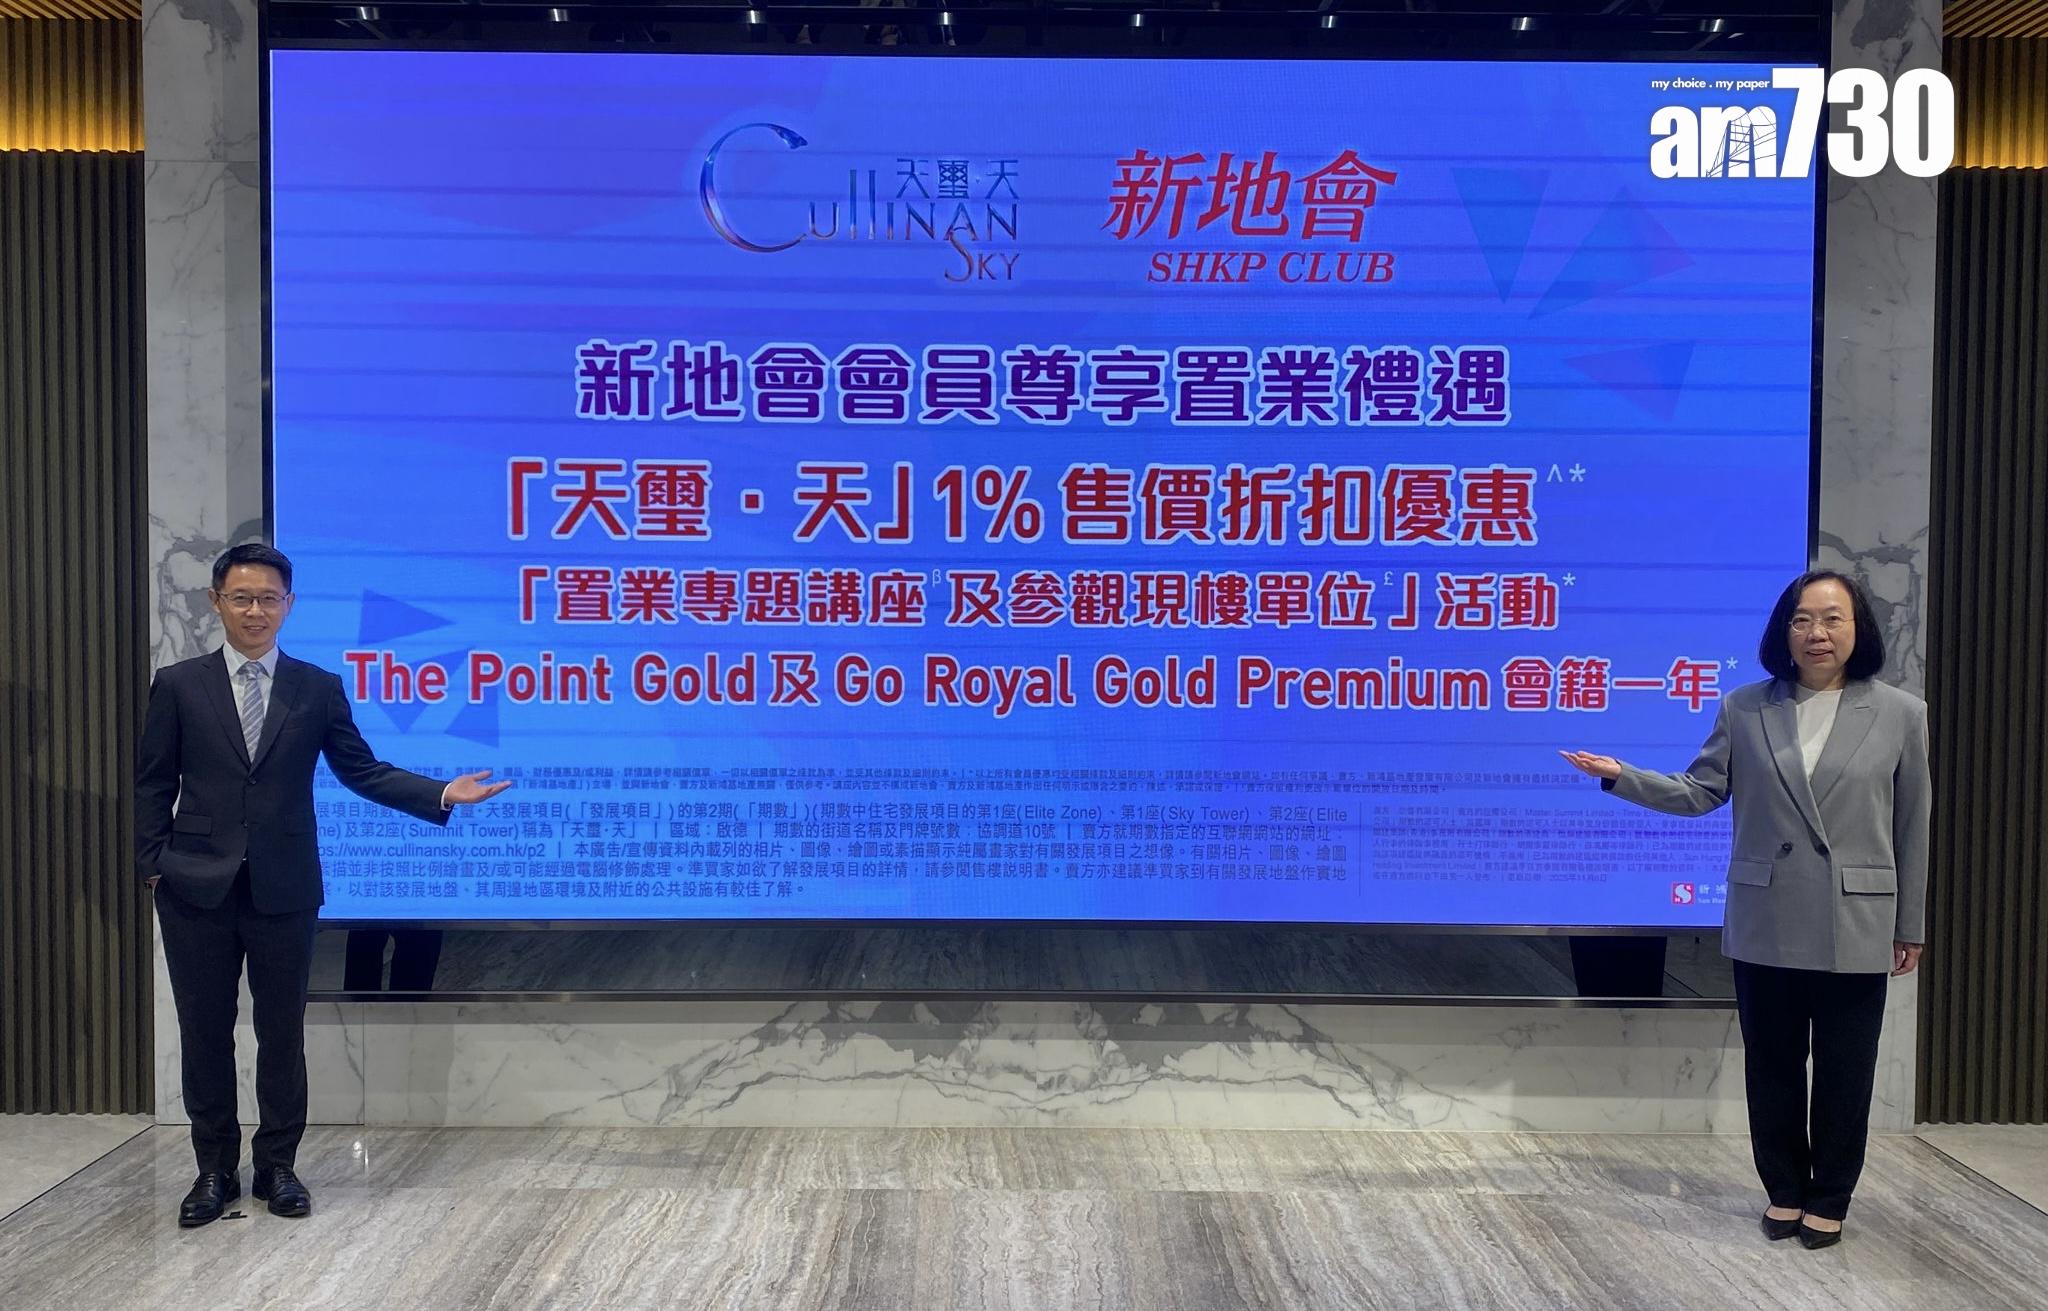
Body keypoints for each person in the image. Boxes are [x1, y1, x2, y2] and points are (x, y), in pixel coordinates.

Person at [136, 543, 513, 1228]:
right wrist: (152, 864)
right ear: (216, 601)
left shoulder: (316, 687)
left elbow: (361, 770)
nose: (255, 610)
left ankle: (277, 1165)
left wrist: (440, 792)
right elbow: (153, 782)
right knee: (204, 1033)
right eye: (242, 597)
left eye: (268, 598)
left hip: (285, 886)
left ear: (289, 605)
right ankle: (214, 1169)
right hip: (193, 887)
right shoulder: (180, 684)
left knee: (281, 1032)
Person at [1561, 570, 1929, 1250]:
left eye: (1833, 619)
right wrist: (1621, 776)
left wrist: (1911, 926)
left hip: (1857, 915)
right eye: (1802, 619)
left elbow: (1912, 824)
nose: (1816, 633)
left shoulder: (1901, 713)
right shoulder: (1745, 707)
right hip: (1768, 913)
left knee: (1847, 1069)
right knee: (1772, 1064)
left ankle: (1830, 1196)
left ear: (1859, 630)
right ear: (1783, 631)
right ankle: (1784, 1189)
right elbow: (1699, 792)